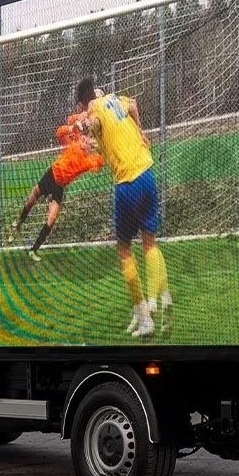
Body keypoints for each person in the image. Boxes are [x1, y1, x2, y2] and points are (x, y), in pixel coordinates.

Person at [76, 78, 171, 338]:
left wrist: (83, 126)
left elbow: (94, 123)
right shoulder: (114, 100)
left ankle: (144, 317)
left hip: (128, 183)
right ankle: (156, 301)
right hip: (147, 172)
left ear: (83, 103)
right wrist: (140, 131)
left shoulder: (94, 109)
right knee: (149, 242)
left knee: (123, 249)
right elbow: (133, 107)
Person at [8, 108, 103, 261]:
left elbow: (99, 165)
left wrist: (101, 147)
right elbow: (59, 133)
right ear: (82, 137)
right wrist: (73, 127)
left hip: (59, 186)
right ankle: (19, 222)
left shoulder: (88, 161)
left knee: (51, 219)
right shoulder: (72, 142)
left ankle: (33, 250)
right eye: (86, 138)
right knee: (32, 199)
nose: (87, 141)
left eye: (90, 140)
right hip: (51, 175)